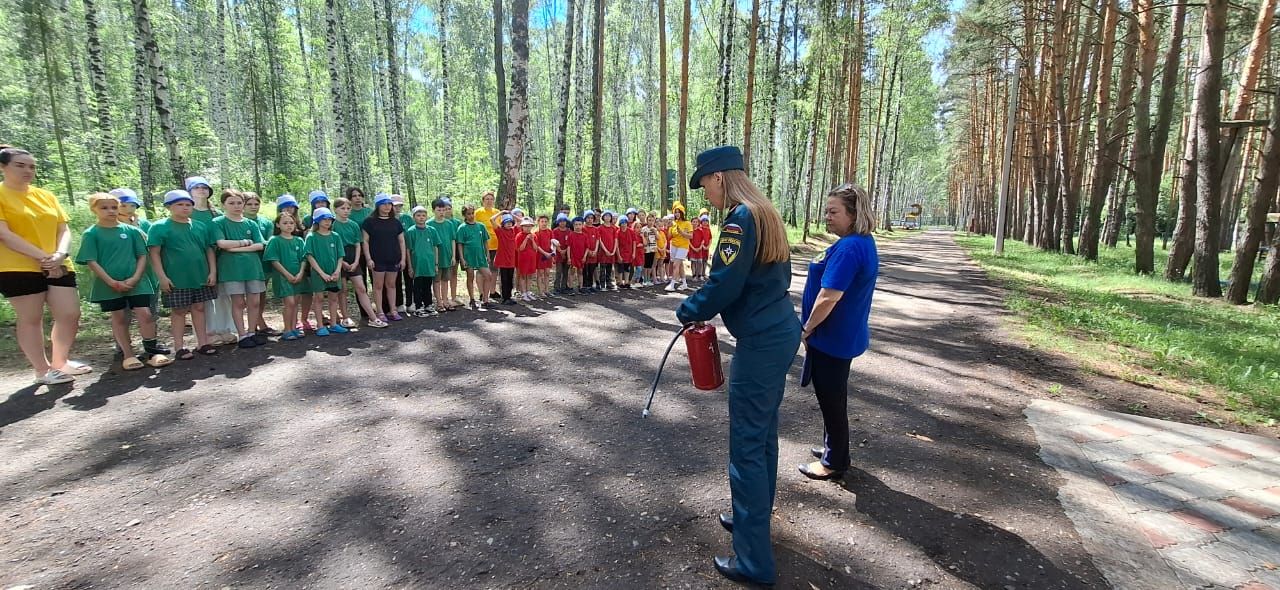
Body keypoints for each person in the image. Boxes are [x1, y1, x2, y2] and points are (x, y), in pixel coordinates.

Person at [676, 145, 799, 587]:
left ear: (721, 178)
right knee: (762, 434)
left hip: (762, 342)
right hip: (779, 330)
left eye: (705, 183)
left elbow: (724, 282)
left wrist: (689, 309)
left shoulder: (740, 219)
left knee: (746, 444)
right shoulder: (763, 212)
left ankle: (753, 560)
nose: (705, 192)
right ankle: (755, 518)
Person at [798, 183, 879, 481]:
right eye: (826, 211)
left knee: (831, 399)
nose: (827, 217)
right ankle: (835, 447)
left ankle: (834, 462)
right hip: (838, 336)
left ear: (853, 214)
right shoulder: (856, 241)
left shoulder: (850, 247)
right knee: (834, 397)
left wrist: (806, 329)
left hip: (832, 339)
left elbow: (829, 296)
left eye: (833, 212)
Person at [0, 146, 89, 384]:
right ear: (3, 167)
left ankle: (61, 361)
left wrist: (60, 253)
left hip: (58, 262)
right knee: (31, 317)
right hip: (16, 266)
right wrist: (44, 257)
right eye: (20, 165)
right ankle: (42, 370)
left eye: (31, 166)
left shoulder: (45, 195)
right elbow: (4, 234)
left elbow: (63, 228)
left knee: (70, 313)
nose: (28, 170)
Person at [76, 193, 172, 369]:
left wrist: (135, 277)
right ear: (94, 210)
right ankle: (128, 354)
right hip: (108, 284)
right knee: (119, 317)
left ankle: (152, 352)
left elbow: (142, 255)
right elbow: (91, 260)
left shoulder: (132, 231)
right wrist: (111, 281)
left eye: (114, 207)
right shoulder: (92, 233)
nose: (110, 211)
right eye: (104, 208)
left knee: (146, 314)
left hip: (138, 281)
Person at [148, 189, 219, 359]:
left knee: (200, 308)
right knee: (179, 310)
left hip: (200, 275)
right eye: (179, 204)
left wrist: (213, 271)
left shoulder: (200, 226)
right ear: (169, 207)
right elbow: (154, 253)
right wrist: (162, 277)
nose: (185, 208)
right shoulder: (159, 227)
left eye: (188, 205)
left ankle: (202, 342)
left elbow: (209, 250)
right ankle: (179, 347)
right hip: (176, 278)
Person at [211, 189, 269, 348]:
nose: (236, 206)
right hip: (231, 269)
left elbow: (260, 244)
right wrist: (245, 242)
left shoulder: (251, 223)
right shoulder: (218, 222)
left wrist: (235, 247)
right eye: (231, 203)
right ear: (224, 204)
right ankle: (242, 335)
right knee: (238, 303)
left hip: (253, 268)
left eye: (239, 203)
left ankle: (252, 332)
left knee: (255, 302)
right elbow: (221, 243)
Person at [188, 176, 237, 346]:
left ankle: (225, 329)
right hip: (198, 260)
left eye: (204, 187)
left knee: (223, 295)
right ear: (189, 192)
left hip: (220, 258)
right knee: (204, 299)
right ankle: (206, 333)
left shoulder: (215, 214)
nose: (201, 190)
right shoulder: (187, 213)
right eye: (197, 187)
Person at [333, 197, 381, 327]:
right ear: (335, 209)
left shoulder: (353, 224)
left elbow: (358, 244)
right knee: (342, 290)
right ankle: (345, 318)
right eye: (342, 208)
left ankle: (372, 317)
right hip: (338, 258)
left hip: (353, 257)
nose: (346, 211)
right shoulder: (332, 225)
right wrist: (342, 262)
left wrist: (355, 261)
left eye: (348, 208)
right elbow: (332, 245)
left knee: (361, 287)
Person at [262, 213, 309, 341]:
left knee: (296, 303)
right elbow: (274, 260)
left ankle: (294, 328)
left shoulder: (299, 240)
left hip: (298, 276)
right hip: (283, 277)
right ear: (278, 225)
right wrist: (287, 275)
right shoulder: (275, 240)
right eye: (285, 223)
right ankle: (287, 329)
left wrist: (300, 273)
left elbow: (304, 259)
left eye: (291, 223)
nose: (289, 226)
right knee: (289, 303)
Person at [305, 207, 350, 336]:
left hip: (334, 272)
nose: (327, 222)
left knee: (333, 297)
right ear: (317, 221)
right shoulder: (311, 237)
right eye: (324, 219)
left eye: (329, 219)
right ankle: (320, 325)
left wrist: (337, 271)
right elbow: (309, 256)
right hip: (319, 273)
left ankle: (334, 324)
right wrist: (322, 273)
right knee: (318, 298)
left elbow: (340, 255)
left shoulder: (335, 236)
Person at [362, 194, 406, 322]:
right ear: (377, 206)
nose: (387, 206)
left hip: (393, 257)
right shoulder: (369, 222)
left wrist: (403, 259)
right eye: (384, 204)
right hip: (377, 258)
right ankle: (380, 311)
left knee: (392, 285)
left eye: (389, 204)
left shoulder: (396, 222)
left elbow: (402, 241)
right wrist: (369, 258)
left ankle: (393, 310)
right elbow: (365, 241)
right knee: (378, 286)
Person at [242, 192, 277, 336]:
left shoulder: (266, 222)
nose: (253, 207)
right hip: (245, 262)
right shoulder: (238, 221)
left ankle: (258, 321)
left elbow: (268, 242)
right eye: (249, 204)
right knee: (244, 296)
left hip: (263, 262)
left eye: (256, 204)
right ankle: (253, 324)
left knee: (261, 294)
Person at [405, 205, 441, 316]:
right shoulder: (411, 231)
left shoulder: (432, 230)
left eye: (423, 215)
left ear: (426, 217)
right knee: (417, 285)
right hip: (417, 264)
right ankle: (418, 307)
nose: (421, 217)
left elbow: (435, 247)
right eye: (418, 215)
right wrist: (410, 266)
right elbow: (408, 250)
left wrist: (436, 263)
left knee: (427, 284)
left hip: (429, 263)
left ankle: (428, 305)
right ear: (414, 217)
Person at [456, 205, 493, 310]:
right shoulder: (462, 228)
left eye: (472, 213)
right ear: (464, 215)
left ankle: (485, 299)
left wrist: (488, 254)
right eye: (468, 214)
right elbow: (460, 244)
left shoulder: (480, 226)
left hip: (480, 256)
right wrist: (462, 258)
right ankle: (472, 299)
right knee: (470, 276)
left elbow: (485, 241)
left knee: (488, 275)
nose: (471, 216)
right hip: (468, 256)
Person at [427, 198, 459, 311]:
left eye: (443, 210)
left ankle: (445, 300)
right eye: (439, 210)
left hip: (448, 256)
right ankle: (439, 302)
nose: (441, 212)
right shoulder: (429, 224)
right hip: (435, 257)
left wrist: (454, 256)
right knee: (436, 280)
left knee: (445, 279)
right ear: (433, 210)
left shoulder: (449, 224)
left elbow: (453, 240)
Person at [489, 212, 519, 304]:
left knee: (510, 279)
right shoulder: (500, 231)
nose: (509, 224)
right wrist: (501, 213)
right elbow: (491, 220)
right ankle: (505, 298)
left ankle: (509, 297)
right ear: (503, 224)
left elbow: (521, 221)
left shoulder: (514, 231)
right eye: (506, 222)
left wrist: (512, 214)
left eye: (510, 222)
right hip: (503, 259)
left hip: (511, 259)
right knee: (504, 279)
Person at [666, 203, 693, 291]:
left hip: (683, 246)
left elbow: (691, 236)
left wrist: (682, 233)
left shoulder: (687, 223)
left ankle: (672, 285)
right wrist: (668, 227)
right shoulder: (673, 223)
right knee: (680, 265)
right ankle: (684, 284)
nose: (677, 214)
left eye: (679, 212)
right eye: (675, 212)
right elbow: (669, 237)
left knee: (675, 265)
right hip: (673, 245)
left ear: (682, 213)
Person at [475, 190, 501, 269]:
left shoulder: (497, 212)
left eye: (491, 199)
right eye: (487, 199)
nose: (489, 201)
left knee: (494, 268)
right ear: (483, 201)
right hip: (482, 245)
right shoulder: (478, 212)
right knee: (482, 269)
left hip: (496, 244)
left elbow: (501, 228)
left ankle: (492, 282)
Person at [566, 216, 591, 294]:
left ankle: (581, 287)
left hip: (581, 257)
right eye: (576, 225)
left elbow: (587, 247)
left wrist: (584, 257)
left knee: (580, 272)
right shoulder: (571, 235)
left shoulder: (585, 235)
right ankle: (570, 287)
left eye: (579, 224)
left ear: (582, 225)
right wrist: (569, 258)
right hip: (573, 256)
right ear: (573, 225)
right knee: (572, 272)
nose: (578, 226)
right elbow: (568, 247)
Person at [516, 217, 538, 301]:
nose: (527, 228)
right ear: (522, 227)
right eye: (525, 226)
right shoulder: (519, 235)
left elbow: (536, 248)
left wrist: (532, 240)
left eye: (529, 226)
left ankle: (528, 291)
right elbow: (520, 248)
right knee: (523, 276)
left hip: (532, 259)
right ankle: (523, 293)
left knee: (530, 276)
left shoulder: (534, 236)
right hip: (523, 259)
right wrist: (526, 239)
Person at [597, 211, 619, 291]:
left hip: (611, 251)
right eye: (605, 216)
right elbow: (600, 240)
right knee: (602, 268)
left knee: (610, 268)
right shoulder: (600, 228)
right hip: (603, 252)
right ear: (603, 217)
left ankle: (609, 283)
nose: (607, 218)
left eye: (609, 216)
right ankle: (602, 284)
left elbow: (615, 239)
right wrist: (605, 250)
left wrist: (613, 251)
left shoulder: (613, 228)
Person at [533, 215, 554, 298]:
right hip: (540, 255)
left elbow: (552, 243)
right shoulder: (536, 233)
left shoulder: (550, 231)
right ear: (538, 222)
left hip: (548, 256)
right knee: (540, 273)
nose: (544, 223)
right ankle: (541, 292)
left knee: (547, 273)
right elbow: (537, 246)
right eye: (542, 221)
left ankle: (547, 290)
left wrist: (552, 253)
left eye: (545, 222)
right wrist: (544, 253)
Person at [551, 214, 572, 294]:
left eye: (564, 221)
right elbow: (554, 242)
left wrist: (565, 250)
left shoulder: (569, 231)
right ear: (558, 222)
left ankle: (564, 287)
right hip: (558, 254)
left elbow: (570, 243)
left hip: (567, 254)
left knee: (565, 271)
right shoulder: (555, 231)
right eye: (560, 221)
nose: (562, 223)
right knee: (559, 271)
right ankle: (556, 287)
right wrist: (560, 250)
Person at [615, 216, 635, 289]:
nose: (623, 225)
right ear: (620, 224)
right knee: (620, 268)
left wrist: (634, 253)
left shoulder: (631, 231)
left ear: (627, 224)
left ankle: (626, 282)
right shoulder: (617, 232)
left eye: (625, 223)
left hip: (629, 253)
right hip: (620, 253)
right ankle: (620, 282)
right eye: (622, 223)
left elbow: (634, 242)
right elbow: (616, 245)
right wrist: (619, 255)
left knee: (627, 268)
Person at [639, 213, 658, 287]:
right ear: (647, 221)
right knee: (645, 264)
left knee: (650, 265)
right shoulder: (644, 229)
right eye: (649, 220)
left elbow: (658, 238)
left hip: (653, 248)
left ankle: (648, 279)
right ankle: (645, 279)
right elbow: (642, 238)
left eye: (652, 220)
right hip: (646, 249)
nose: (651, 222)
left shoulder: (655, 229)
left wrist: (655, 232)